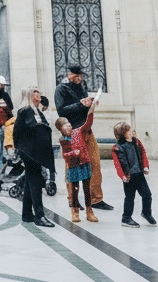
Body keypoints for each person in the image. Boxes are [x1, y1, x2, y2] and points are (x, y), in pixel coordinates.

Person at [54, 65, 112, 210]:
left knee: (95, 163)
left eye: (81, 76)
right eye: (76, 76)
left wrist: (91, 105)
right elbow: (61, 111)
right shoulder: (61, 89)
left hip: (86, 129)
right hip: (72, 131)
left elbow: (83, 105)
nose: (79, 79)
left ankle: (96, 199)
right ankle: (72, 199)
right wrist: (80, 104)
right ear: (69, 74)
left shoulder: (81, 86)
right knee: (73, 166)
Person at [14, 87, 55, 227]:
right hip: (29, 152)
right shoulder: (25, 110)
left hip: (36, 151)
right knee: (36, 181)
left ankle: (27, 214)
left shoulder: (37, 111)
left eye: (39, 91)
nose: (39, 93)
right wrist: (19, 149)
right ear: (29, 95)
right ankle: (39, 215)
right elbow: (21, 130)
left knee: (30, 181)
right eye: (35, 92)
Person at [112, 122, 155, 228]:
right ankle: (126, 219)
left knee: (147, 195)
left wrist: (145, 166)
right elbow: (117, 164)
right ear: (123, 133)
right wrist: (122, 175)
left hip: (139, 174)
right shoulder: (117, 147)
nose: (132, 131)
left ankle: (146, 213)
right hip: (128, 177)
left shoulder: (137, 142)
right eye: (129, 130)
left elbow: (143, 153)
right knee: (130, 198)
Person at [58, 111, 97, 223]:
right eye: (65, 125)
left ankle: (89, 211)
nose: (69, 125)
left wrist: (91, 111)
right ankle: (75, 211)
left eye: (69, 123)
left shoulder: (78, 132)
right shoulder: (63, 140)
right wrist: (72, 153)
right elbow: (65, 155)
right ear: (61, 129)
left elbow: (87, 124)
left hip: (84, 164)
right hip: (73, 166)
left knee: (87, 188)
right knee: (75, 189)